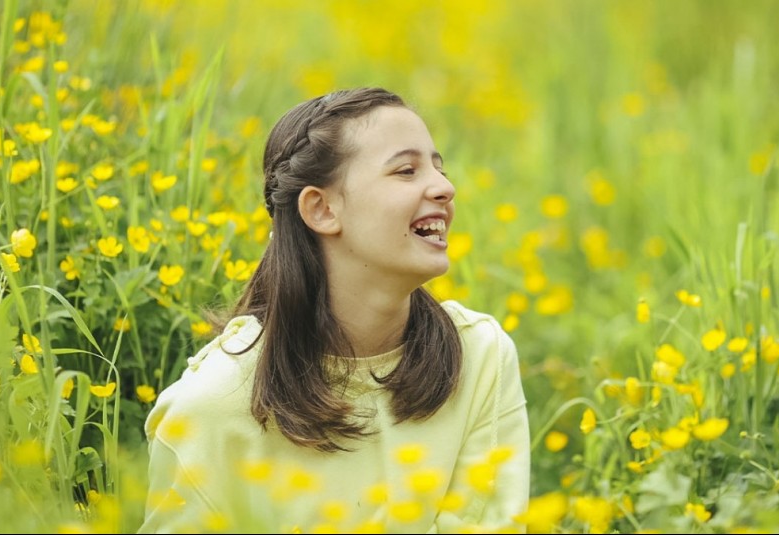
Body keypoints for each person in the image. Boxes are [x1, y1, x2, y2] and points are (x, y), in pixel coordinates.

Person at [139, 87, 531, 534]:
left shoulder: (479, 358)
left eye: (438, 169)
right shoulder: (209, 409)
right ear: (322, 209)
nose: (445, 188)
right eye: (406, 170)